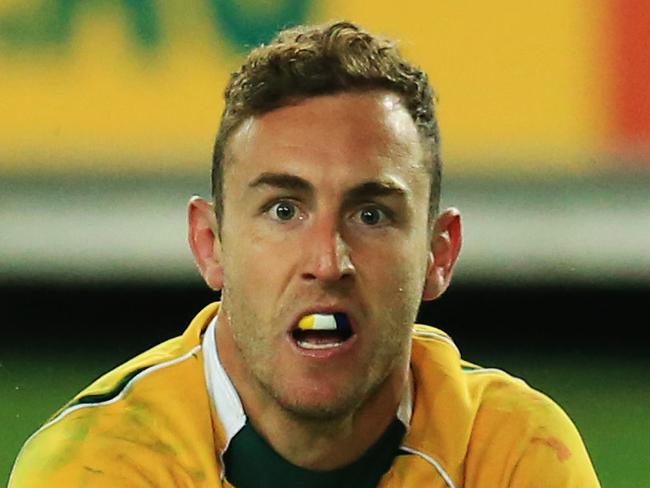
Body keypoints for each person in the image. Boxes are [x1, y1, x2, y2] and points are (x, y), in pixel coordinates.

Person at [10, 20, 600, 488]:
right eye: (284, 210)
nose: (328, 260)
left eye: (371, 215)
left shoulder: (510, 455)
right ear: (211, 245)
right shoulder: (94, 469)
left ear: (438, 255)